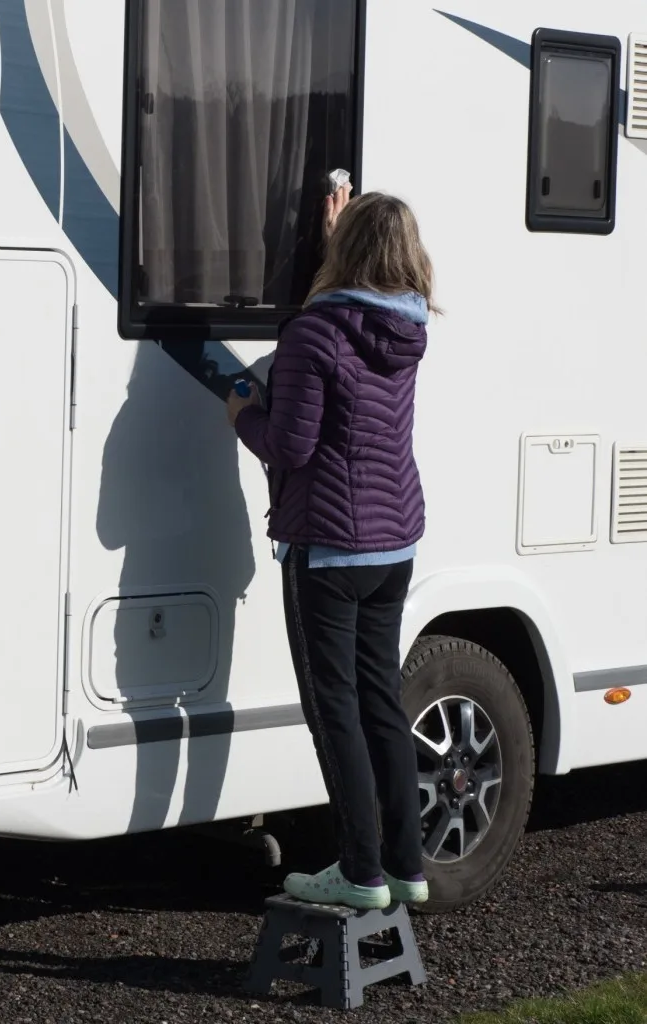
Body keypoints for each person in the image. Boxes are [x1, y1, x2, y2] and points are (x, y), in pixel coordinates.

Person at [226, 185, 437, 910]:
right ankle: (406, 865)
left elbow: (290, 445)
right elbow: (358, 305)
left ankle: (359, 870)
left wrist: (242, 415)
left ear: (346, 252)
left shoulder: (313, 334)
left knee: (334, 708)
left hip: (328, 546)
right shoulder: (408, 330)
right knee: (382, 700)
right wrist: (337, 230)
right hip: (392, 543)